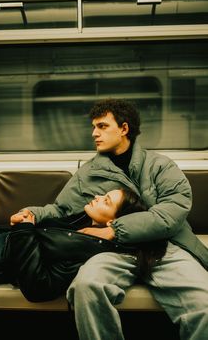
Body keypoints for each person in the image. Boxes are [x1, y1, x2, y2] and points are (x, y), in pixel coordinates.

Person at [11, 99, 208, 340]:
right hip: (112, 251)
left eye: (102, 126)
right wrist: (33, 213)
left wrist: (116, 228)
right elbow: (62, 210)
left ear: (124, 129)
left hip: (162, 246)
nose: (94, 133)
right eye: (93, 127)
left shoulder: (159, 166)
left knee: (204, 304)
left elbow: (173, 211)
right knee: (86, 288)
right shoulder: (88, 173)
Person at [0, 186, 163, 301]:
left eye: (106, 201)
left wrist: (24, 229)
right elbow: (45, 224)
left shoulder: (92, 255)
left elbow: (37, 287)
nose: (97, 197)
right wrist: (24, 220)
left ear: (114, 222)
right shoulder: (83, 222)